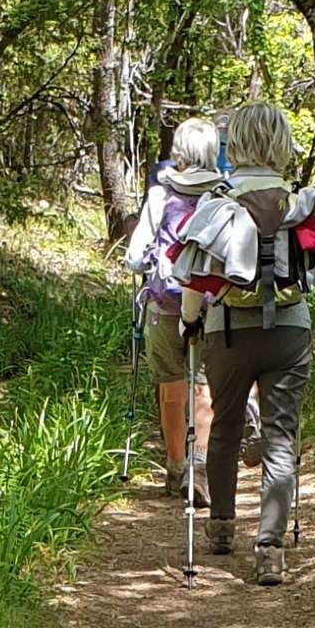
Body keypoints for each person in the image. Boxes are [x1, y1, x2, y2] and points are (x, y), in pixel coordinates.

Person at [175, 96, 315, 583]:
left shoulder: (217, 202)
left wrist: (188, 323)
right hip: (290, 332)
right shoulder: (301, 202)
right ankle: (270, 548)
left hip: (228, 331)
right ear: (280, 142)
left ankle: (221, 526)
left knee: (226, 426)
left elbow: (196, 280)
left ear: (236, 143)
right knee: (280, 437)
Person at [116, 115, 223, 496]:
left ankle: (176, 466)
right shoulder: (223, 195)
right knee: (204, 386)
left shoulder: (161, 195)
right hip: (211, 305)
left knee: (171, 387)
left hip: (164, 305)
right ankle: (200, 467)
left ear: (178, 152)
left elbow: (134, 258)